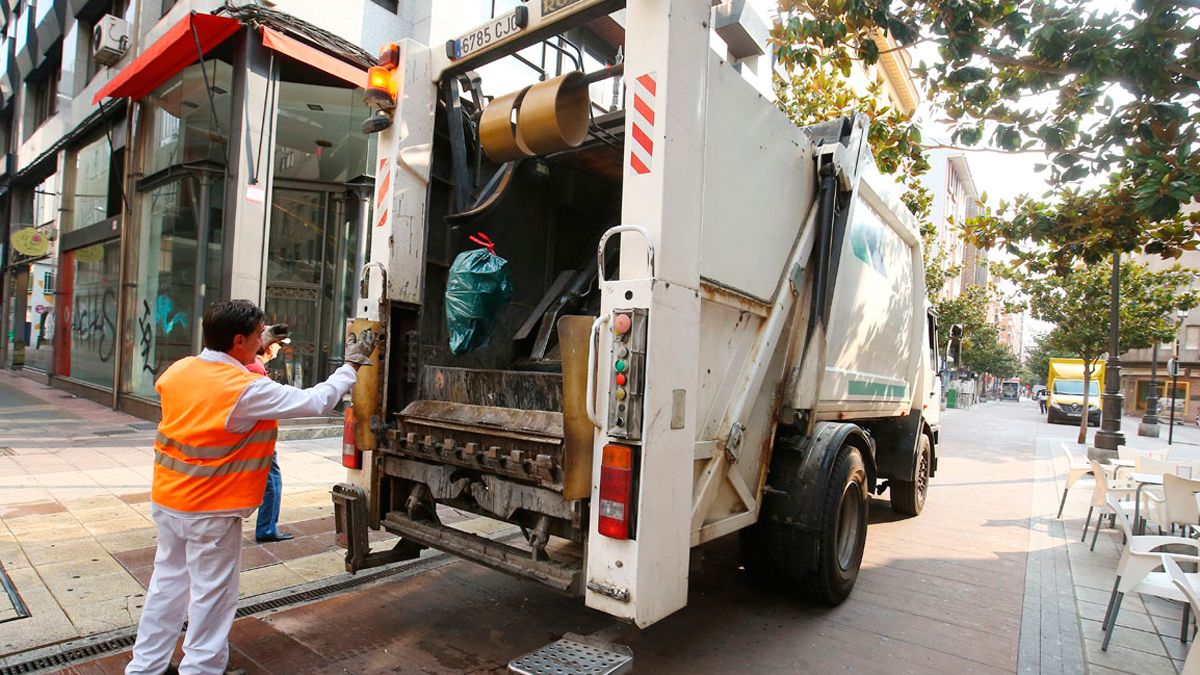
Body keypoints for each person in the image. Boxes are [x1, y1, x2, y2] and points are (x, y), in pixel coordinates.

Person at [125, 300, 377, 675]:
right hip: (211, 508)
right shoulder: (244, 390)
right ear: (238, 341)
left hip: (169, 499)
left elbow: (218, 380)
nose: (264, 341)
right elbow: (316, 400)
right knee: (213, 594)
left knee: (167, 586)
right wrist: (351, 364)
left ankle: (145, 667)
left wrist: (263, 346)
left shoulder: (180, 371)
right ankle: (201, 669)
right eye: (259, 336)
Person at [245, 325, 292, 544]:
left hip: (256, 438)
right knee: (272, 483)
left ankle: (266, 527)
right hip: (259, 440)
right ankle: (266, 529)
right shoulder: (255, 368)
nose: (279, 350)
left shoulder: (251, 365)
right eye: (278, 345)